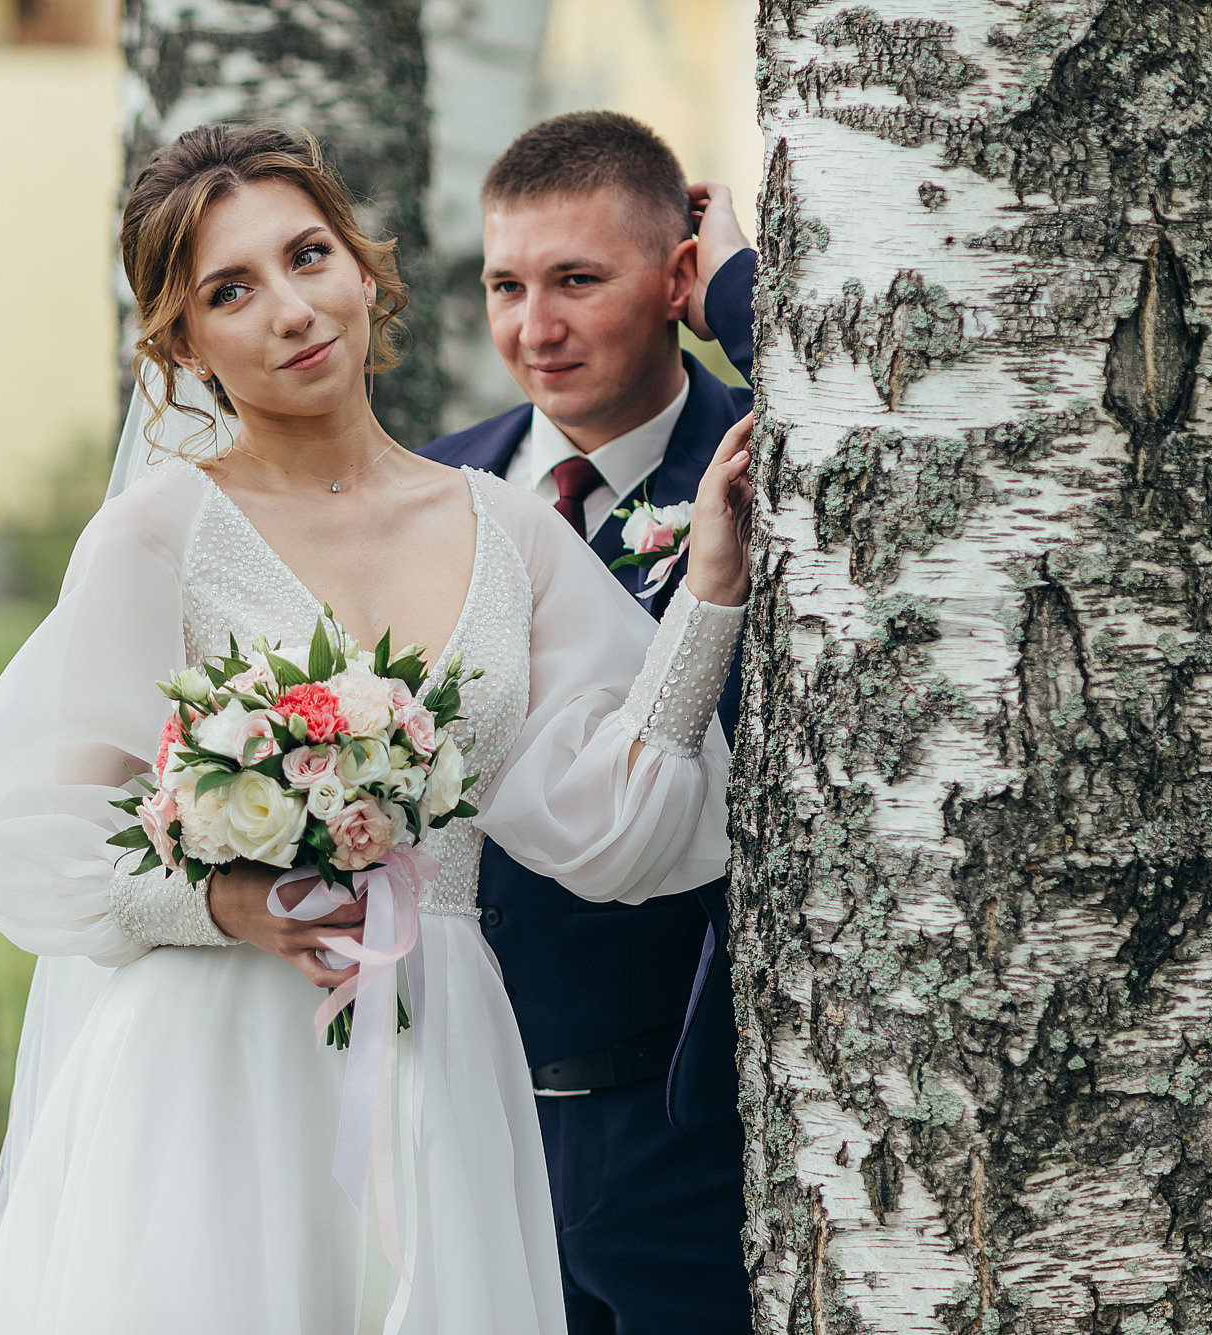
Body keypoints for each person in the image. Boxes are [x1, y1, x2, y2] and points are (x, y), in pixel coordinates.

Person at [0, 122, 752, 1334]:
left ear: (363, 268)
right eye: (229, 290)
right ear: (181, 344)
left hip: (446, 1046)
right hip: (213, 1061)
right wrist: (218, 904)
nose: (289, 309)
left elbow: (613, 826)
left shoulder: (505, 527)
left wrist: (711, 594)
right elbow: (32, 830)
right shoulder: (155, 539)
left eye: (307, 255)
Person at [417, 112, 759, 1335]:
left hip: (684, 1135)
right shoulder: (430, 484)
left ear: (673, 281)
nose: (532, 328)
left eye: (576, 280)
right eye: (505, 284)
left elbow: (928, 411)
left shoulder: (768, 466)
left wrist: (744, 292)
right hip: (463, 1116)